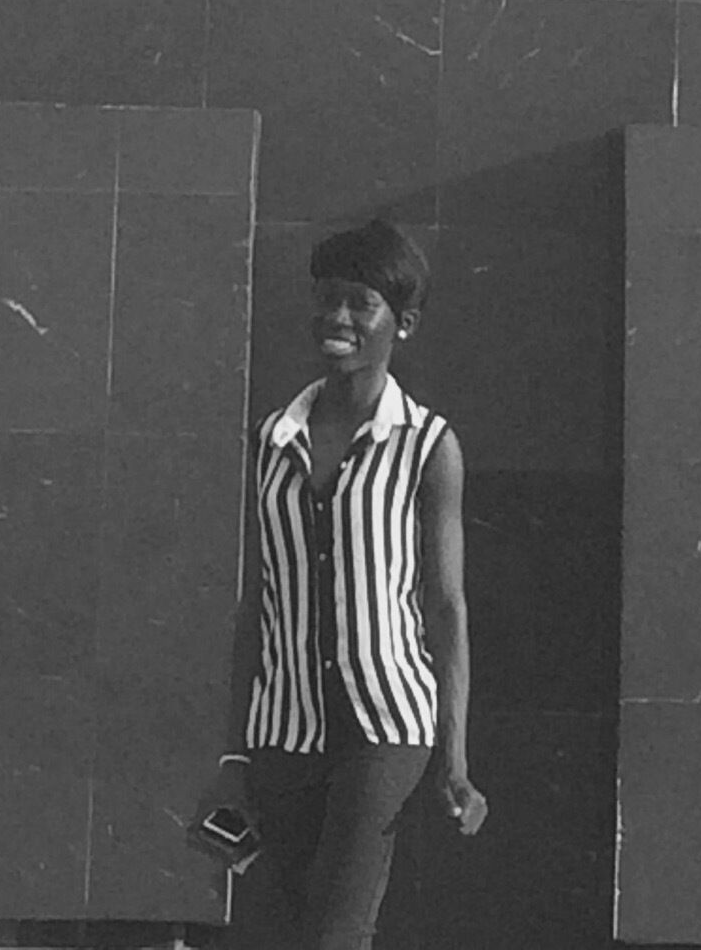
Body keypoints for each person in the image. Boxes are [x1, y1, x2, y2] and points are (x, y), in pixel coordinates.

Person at [205, 221, 484, 950]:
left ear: (404, 323)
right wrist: (234, 754)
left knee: (335, 933)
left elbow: (445, 606)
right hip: (283, 729)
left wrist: (453, 758)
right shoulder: (273, 440)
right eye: (328, 299)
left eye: (361, 304)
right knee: (278, 932)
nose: (338, 318)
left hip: (385, 729)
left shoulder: (427, 446)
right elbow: (258, 604)